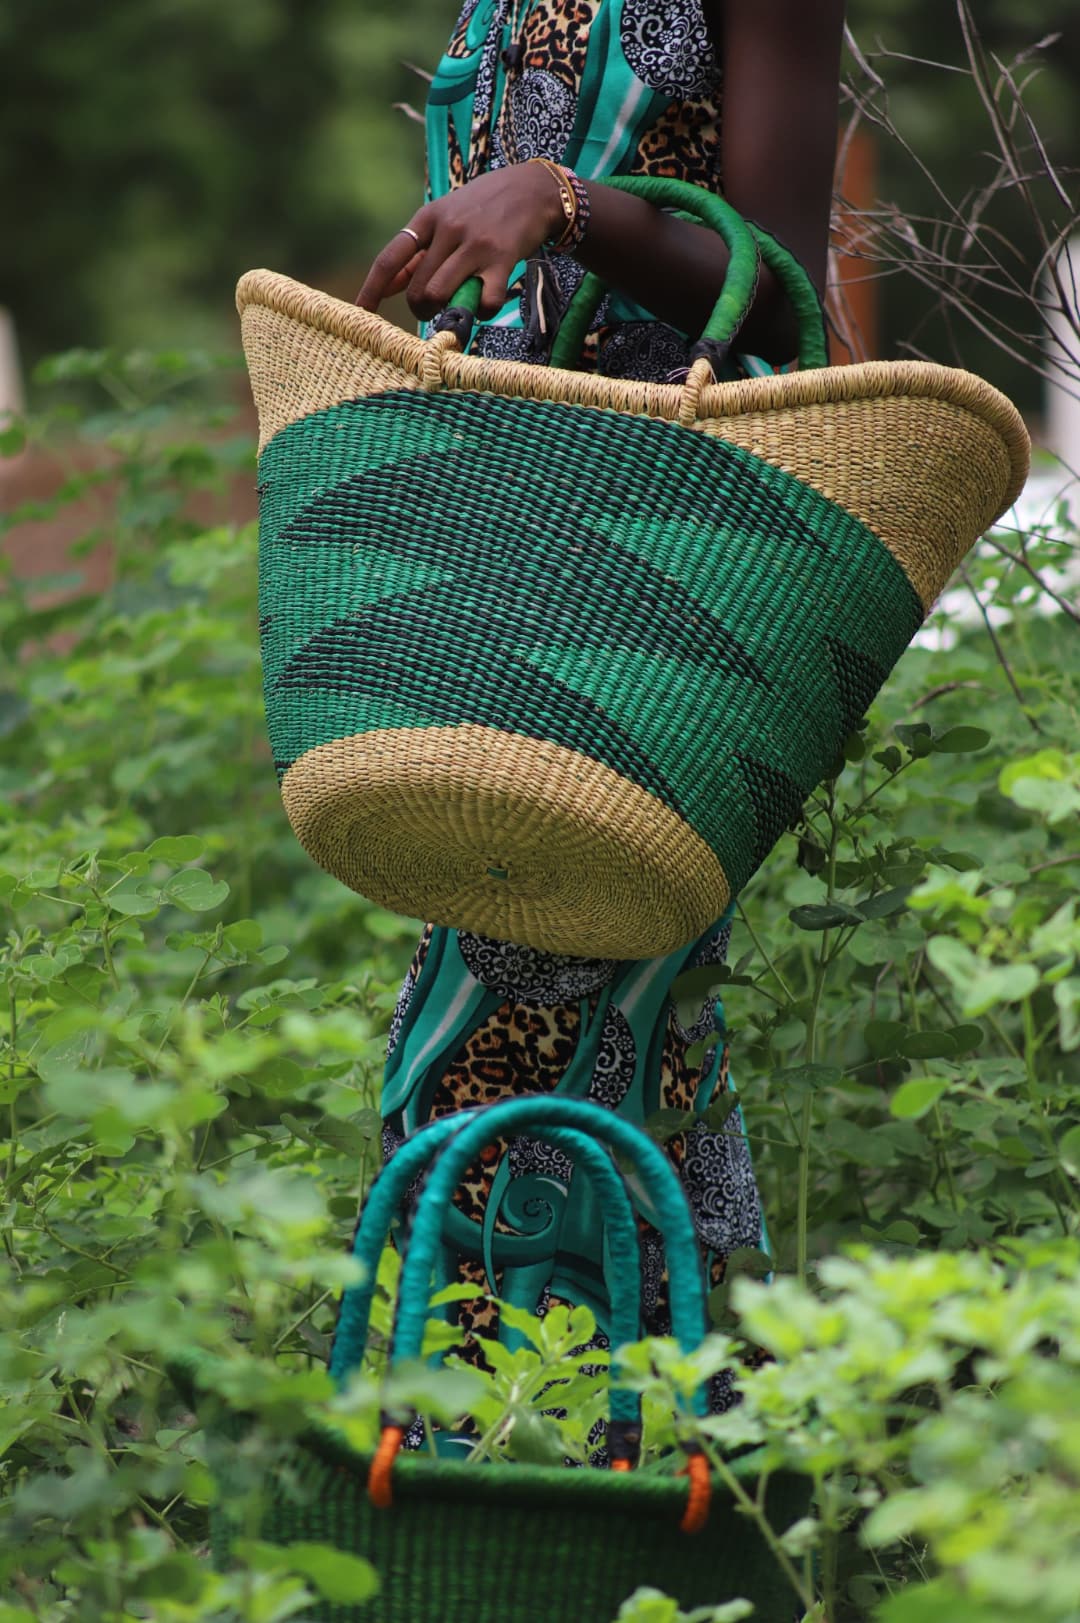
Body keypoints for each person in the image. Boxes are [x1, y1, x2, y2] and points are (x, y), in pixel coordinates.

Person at [357, 0, 846, 1438]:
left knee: (553, 1031)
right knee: (585, 1037)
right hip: (502, 542)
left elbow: (780, 296)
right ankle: (653, 1480)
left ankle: (539, 1475)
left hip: (655, 573)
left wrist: (566, 206)